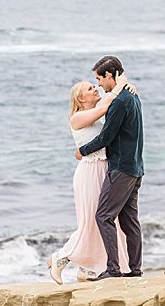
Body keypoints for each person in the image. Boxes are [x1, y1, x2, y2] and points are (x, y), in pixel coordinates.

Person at [46, 75, 133, 284]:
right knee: (91, 221)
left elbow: (106, 110)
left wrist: (128, 86)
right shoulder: (77, 117)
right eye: (89, 88)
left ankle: (89, 269)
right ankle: (61, 257)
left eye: (94, 85)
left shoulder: (97, 114)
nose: (95, 88)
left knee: (106, 222)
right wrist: (119, 86)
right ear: (80, 99)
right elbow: (104, 107)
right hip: (90, 172)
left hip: (106, 170)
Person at [75, 55, 144, 279]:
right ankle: (135, 270)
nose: (99, 85)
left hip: (121, 168)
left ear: (110, 75)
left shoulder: (120, 101)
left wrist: (82, 151)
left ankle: (113, 269)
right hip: (135, 167)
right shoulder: (132, 97)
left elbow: (106, 137)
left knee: (103, 216)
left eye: (99, 79)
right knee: (129, 221)